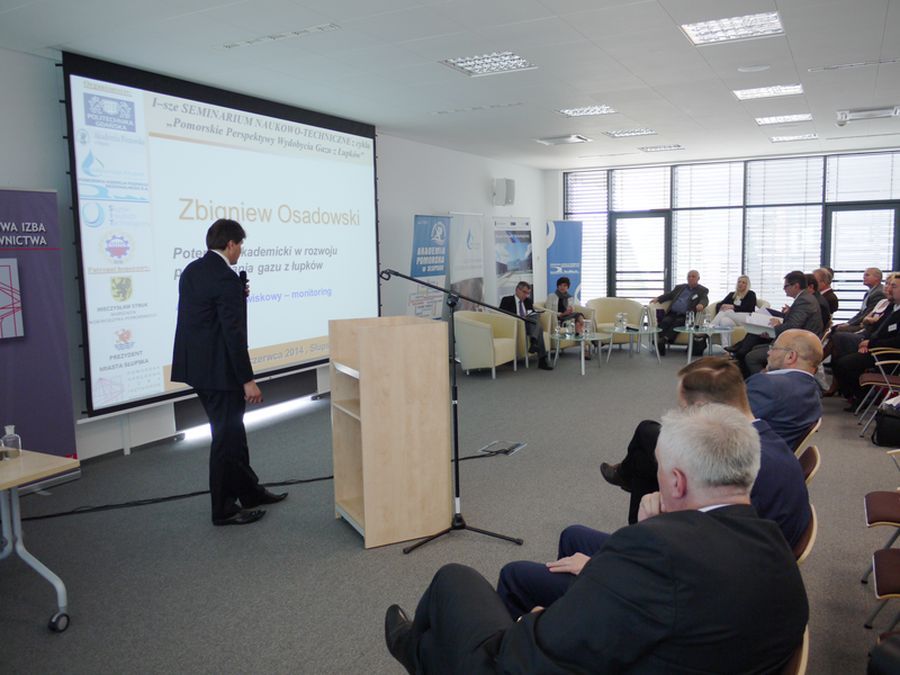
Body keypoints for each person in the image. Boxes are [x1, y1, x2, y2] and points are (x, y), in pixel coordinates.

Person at [384, 404, 808, 674]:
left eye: (659, 471)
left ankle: (414, 650)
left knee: (452, 579)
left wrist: (532, 622)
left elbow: (539, 653)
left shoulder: (655, 551)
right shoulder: (773, 543)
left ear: (677, 482)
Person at [598, 356, 810, 535]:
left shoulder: (739, 463)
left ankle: (633, 528)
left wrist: (650, 526)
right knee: (646, 455)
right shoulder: (766, 442)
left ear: (702, 408)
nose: (681, 416)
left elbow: (705, 536)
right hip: (753, 546)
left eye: (683, 409)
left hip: (719, 557)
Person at [171, 219, 287, 526]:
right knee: (225, 439)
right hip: (220, 372)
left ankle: (249, 492)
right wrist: (247, 380)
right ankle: (223, 509)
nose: (241, 251)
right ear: (231, 244)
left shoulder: (193, 270)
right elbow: (233, 335)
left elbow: (205, 316)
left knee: (233, 433)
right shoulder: (225, 279)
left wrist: (238, 296)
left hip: (198, 368)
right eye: (241, 245)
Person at [734, 270, 824, 377]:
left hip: (799, 346)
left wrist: (774, 329)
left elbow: (792, 326)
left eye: (786, 286)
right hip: (797, 340)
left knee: (751, 357)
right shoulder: (804, 298)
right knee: (754, 347)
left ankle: (765, 382)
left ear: (796, 286)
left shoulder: (804, 300)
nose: (784, 289)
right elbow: (794, 322)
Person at [746, 329, 824, 450]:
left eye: (773, 348)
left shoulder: (768, 384)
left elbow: (725, 420)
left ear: (791, 356)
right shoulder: (814, 390)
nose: (768, 352)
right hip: (775, 453)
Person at [832, 274, 900, 409]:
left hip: (888, 356)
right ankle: (856, 395)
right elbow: (877, 329)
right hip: (876, 350)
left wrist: (871, 345)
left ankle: (861, 397)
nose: (888, 289)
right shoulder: (892, 307)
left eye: (894, 286)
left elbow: (897, 341)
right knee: (839, 360)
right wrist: (867, 341)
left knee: (844, 364)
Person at [652, 270, 708, 356]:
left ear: (698, 278)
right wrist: (658, 298)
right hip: (673, 313)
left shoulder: (702, 290)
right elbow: (669, 295)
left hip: (686, 315)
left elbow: (704, 299)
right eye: (689, 276)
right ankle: (662, 341)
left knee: (678, 323)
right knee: (665, 321)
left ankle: (663, 340)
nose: (690, 278)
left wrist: (701, 304)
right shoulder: (680, 287)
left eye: (693, 276)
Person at [499, 281, 552, 370]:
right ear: (517, 290)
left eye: (528, 293)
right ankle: (541, 358)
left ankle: (534, 342)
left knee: (536, 317)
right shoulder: (507, 300)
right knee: (539, 329)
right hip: (515, 325)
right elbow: (502, 315)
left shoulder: (528, 301)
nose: (526, 295)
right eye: (524, 292)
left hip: (528, 325)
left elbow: (531, 314)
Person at [545, 276, 589, 359]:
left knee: (578, 323)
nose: (562, 287)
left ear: (568, 287)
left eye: (565, 285)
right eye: (560, 285)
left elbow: (572, 309)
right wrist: (561, 314)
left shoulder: (570, 297)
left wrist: (570, 310)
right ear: (557, 286)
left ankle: (584, 349)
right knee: (579, 317)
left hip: (568, 318)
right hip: (558, 318)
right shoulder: (551, 296)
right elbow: (548, 311)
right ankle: (586, 341)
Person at [710, 274, 757, 348]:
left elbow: (749, 308)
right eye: (739, 282)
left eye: (743, 282)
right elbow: (719, 305)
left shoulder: (751, 294)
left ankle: (710, 327)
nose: (740, 284)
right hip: (733, 319)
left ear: (747, 285)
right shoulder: (732, 294)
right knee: (724, 321)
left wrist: (733, 307)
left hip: (746, 318)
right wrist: (722, 306)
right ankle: (726, 347)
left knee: (727, 311)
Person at [834, 267, 885, 333]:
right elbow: (861, 312)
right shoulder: (869, 293)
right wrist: (848, 323)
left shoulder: (878, 293)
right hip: (861, 322)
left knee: (838, 330)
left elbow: (867, 314)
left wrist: (850, 324)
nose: (864, 277)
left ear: (877, 278)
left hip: (868, 326)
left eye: (867, 275)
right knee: (835, 327)